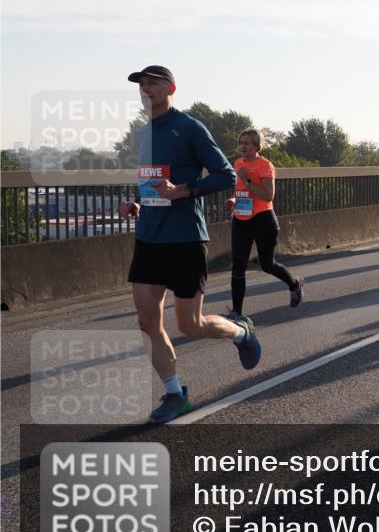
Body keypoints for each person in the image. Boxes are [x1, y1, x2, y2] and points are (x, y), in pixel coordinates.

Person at [118, 65, 259, 424]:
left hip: (184, 238)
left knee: (190, 325)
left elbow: (226, 175)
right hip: (149, 237)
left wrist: (183, 191)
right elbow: (150, 180)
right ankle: (174, 393)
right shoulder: (143, 134)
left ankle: (241, 331)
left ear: (171, 88)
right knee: (147, 320)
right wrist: (137, 202)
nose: (145, 89)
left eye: (152, 82)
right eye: (141, 84)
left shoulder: (191, 128)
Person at [225, 129, 303, 316]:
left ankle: (294, 284)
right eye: (241, 143)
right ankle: (237, 313)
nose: (242, 146)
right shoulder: (237, 163)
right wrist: (233, 200)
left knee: (267, 264)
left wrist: (248, 179)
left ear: (257, 146)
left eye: (247, 143)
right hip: (241, 219)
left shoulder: (265, 165)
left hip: (262, 219)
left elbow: (268, 195)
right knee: (238, 265)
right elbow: (241, 191)